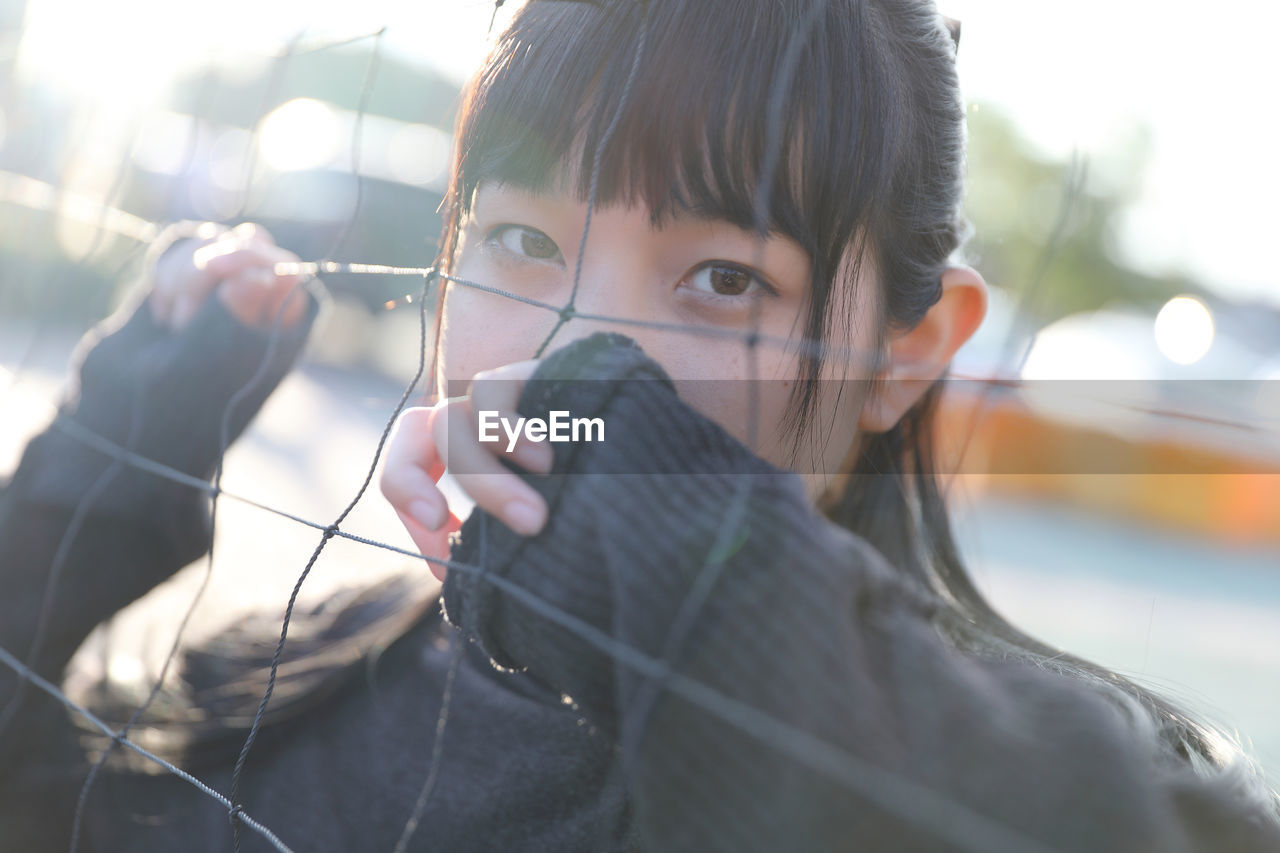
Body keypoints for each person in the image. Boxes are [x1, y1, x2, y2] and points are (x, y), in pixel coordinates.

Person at [2, 1, 1278, 850]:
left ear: (908, 355)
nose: (569, 358)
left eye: (722, 278)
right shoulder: (325, 655)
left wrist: (676, 545)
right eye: (518, 240)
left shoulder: (991, 758)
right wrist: (94, 491)